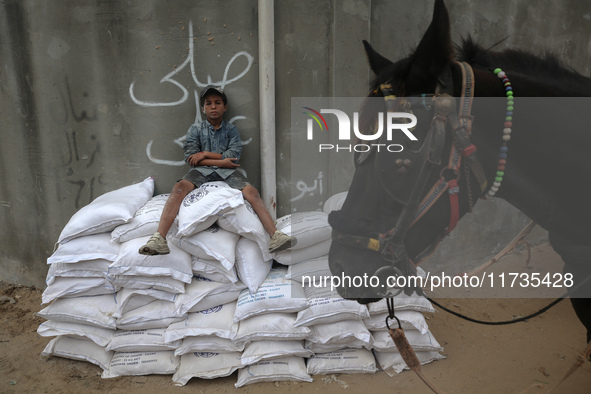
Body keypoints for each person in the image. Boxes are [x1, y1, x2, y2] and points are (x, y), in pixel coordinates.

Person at [139, 85, 295, 255]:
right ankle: (159, 238)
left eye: (217, 103)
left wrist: (205, 154)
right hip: (201, 172)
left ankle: (275, 235)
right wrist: (222, 161)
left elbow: (233, 156)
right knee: (179, 188)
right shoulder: (196, 129)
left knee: (251, 192)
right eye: (208, 103)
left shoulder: (231, 130)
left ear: (225, 107)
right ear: (203, 108)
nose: (213, 107)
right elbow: (191, 158)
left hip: (228, 173)